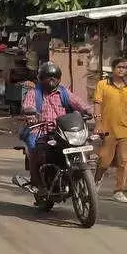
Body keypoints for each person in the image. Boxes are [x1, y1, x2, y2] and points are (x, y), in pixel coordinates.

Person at [21, 62, 92, 197]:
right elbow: (28, 106)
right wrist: (31, 114)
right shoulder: (34, 93)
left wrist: (88, 110)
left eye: (54, 76)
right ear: (41, 78)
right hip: (41, 129)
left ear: (59, 78)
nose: (51, 79)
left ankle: (77, 174)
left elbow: (78, 102)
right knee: (35, 149)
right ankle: (38, 183)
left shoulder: (64, 92)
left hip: (63, 129)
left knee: (83, 143)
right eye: (48, 77)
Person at [94, 58, 127, 202]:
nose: (122, 70)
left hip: (125, 130)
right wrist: (98, 123)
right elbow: (97, 104)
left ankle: (118, 191)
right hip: (107, 129)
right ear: (114, 68)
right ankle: (95, 182)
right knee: (104, 160)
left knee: (125, 161)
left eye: (124, 67)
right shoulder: (103, 84)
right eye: (119, 67)